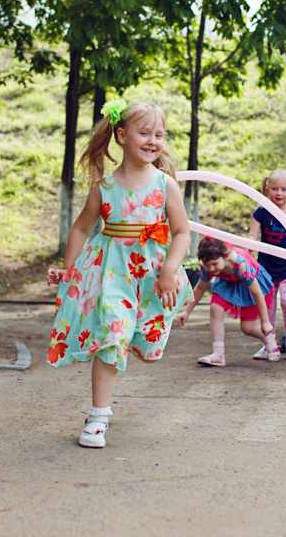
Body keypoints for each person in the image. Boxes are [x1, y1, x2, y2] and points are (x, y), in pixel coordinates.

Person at [46, 100, 194, 449]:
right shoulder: (106, 186)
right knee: (112, 334)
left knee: (143, 338)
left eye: (159, 134)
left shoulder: (165, 184)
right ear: (122, 135)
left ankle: (102, 407)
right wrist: (69, 269)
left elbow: (182, 232)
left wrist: (170, 271)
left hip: (152, 275)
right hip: (111, 274)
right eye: (144, 133)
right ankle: (98, 417)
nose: (153, 141)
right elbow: (82, 229)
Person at [176, 237, 277, 365]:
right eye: (207, 265)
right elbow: (200, 288)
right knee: (215, 308)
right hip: (226, 282)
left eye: (214, 264)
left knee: (248, 328)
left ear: (226, 256)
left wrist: (265, 321)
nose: (211, 269)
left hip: (248, 284)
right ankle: (218, 355)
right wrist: (186, 312)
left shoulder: (241, 266)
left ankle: (270, 339)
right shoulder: (208, 267)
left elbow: (257, 294)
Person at [247, 169, 286, 360]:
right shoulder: (261, 213)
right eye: (275, 189)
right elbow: (252, 235)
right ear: (267, 190)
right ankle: (270, 343)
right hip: (265, 268)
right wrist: (249, 247)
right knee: (269, 307)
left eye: (283, 189)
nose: (279, 193)